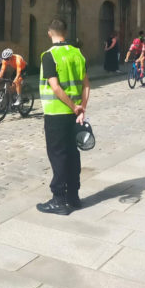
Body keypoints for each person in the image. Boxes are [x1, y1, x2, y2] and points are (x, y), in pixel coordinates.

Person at [37, 18, 90, 215]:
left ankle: (58, 199)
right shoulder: (78, 53)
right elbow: (86, 84)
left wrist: (72, 106)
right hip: (74, 115)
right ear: (65, 33)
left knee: (57, 155)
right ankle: (73, 197)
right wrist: (81, 108)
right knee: (72, 154)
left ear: (50, 33)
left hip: (56, 113)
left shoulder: (49, 55)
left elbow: (55, 86)